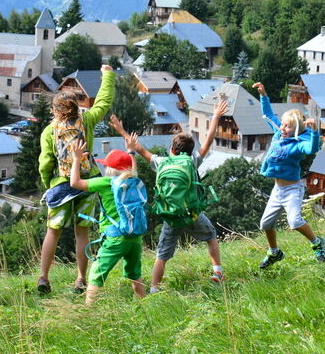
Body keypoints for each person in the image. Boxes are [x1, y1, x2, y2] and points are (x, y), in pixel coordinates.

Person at [109, 98, 228, 293]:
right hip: (192, 214)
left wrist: (122, 131)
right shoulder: (192, 162)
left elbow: (138, 149)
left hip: (170, 217)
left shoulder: (161, 163)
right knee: (211, 236)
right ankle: (217, 272)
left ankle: (154, 289)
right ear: (190, 152)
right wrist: (215, 116)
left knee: (161, 256)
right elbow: (207, 142)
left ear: (171, 149)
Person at [37, 64, 115, 295]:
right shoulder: (87, 120)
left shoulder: (49, 131)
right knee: (82, 232)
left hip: (61, 185)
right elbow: (103, 101)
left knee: (53, 231)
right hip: (85, 183)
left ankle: (44, 277)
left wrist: (49, 184)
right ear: (77, 105)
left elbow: (45, 163)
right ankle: (81, 278)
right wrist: (108, 75)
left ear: (55, 110)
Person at [251, 81, 325, 268]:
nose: (282, 128)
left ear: (295, 130)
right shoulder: (280, 134)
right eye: (283, 125)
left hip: (293, 189)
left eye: (286, 127)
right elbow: (269, 115)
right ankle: (274, 252)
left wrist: (316, 131)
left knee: (294, 222)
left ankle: (318, 243)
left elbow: (311, 148)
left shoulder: (299, 144)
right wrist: (263, 95)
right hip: (278, 189)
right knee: (265, 224)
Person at [69, 147, 146, 305]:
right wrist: (131, 152)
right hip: (135, 235)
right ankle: (144, 304)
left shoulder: (106, 182)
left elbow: (75, 183)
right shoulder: (133, 180)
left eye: (106, 165)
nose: (104, 167)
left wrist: (76, 159)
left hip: (115, 238)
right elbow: (133, 169)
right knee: (135, 274)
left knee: (96, 274)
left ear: (110, 169)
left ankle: (88, 311)